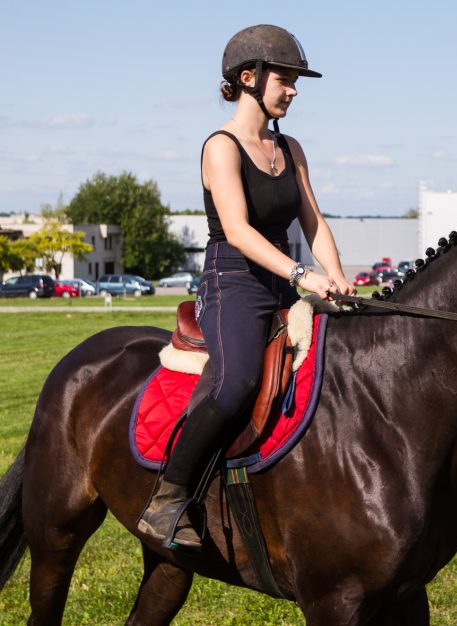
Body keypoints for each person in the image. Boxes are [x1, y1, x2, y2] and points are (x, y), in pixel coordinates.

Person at [138, 24, 355, 550]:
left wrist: (339, 278)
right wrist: (303, 274)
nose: (295, 90)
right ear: (249, 78)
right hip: (231, 281)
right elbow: (237, 230)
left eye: (296, 80)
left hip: (281, 277)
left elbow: (314, 224)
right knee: (235, 382)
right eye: (287, 79)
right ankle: (168, 500)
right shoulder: (221, 146)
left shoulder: (291, 147)